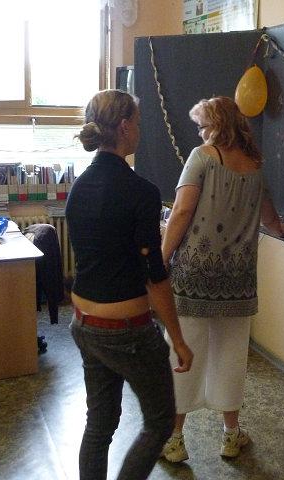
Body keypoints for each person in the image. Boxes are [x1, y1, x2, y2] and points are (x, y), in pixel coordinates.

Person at [66, 89, 193, 480]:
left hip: (84, 324)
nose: (139, 130)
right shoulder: (141, 192)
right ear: (124, 127)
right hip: (127, 332)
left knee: (100, 424)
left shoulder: (78, 188)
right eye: (137, 123)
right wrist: (178, 338)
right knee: (160, 422)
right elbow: (155, 276)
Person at [160, 96, 284, 462]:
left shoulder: (201, 157)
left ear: (217, 126)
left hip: (195, 276)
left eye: (202, 126)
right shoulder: (255, 167)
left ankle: (174, 439)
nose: (200, 134)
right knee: (231, 357)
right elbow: (271, 222)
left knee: (183, 355)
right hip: (238, 280)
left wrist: (161, 258)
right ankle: (231, 435)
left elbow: (182, 211)